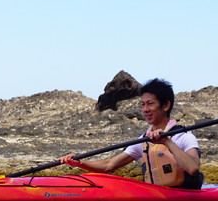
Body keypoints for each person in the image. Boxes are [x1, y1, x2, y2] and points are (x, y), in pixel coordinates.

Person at [59, 78, 204, 189]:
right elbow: (109, 165)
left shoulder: (184, 137)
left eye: (150, 104)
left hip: (183, 199)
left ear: (165, 105)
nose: (145, 109)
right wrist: (80, 163)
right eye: (143, 104)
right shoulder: (143, 141)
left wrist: (167, 141)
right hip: (156, 199)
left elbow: (193, 168)